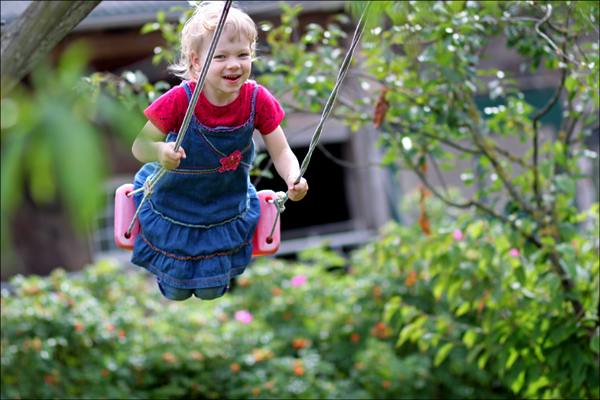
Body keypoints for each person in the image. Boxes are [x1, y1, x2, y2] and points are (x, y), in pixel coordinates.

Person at [130, 1, 308, 301]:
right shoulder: (179, 100)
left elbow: (281, 151)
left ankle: (214, 276)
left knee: (211, 291)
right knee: (175, 292)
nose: (234, 64)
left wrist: (294, 176)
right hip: (175, 202)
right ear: (197, 63)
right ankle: (169, 276)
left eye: (242, 54)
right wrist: (161, 151)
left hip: (224, 204)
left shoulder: (256, 99)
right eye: (221, 56)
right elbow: (139, 146)